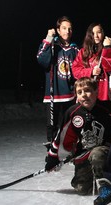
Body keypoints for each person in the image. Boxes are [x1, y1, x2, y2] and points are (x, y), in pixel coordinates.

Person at [44, 77, 111, 195]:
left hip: (104, 152)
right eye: (79, 92)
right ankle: (89, 176)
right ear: (76, 96)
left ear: (96, 91)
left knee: (97, 154)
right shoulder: (73, 112)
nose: (84, 95)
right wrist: (53, 159)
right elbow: (62, 137)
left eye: (87, 90)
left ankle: (107, 185)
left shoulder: (108, 109)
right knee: (81, 189)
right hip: (83, 153)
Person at [37, 16, 79, 148]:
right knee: (52, 124)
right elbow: (42, 60)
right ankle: (53, 150)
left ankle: (68, 147)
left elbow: (78, 69)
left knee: (69, 123)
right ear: (58, 30)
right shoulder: (53, 46)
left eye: (70, 29)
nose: (67, 31)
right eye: (64, 28)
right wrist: (48, 38)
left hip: (70, 94)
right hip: (53, 94)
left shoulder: (74, 49)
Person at [72, 23, 111, 104]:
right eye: (93, 33)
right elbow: (75, 71)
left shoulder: (107, 49)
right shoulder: (83, 52)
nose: (96, 36)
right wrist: (91, 72)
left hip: (103, 93)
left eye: (99, 32)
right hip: (86, 92)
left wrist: (108, 48)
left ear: (103, 34)